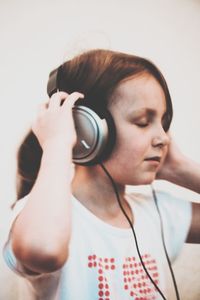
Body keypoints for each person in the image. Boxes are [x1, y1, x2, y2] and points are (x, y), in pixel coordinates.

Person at [3, 49, 200, 300]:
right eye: (142, 121)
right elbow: (44, 249)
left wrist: (181, 169)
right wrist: (57, 145)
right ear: (87, 129)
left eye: (163, 122)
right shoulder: (41, 216)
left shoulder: (159, 213)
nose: (163, 137)